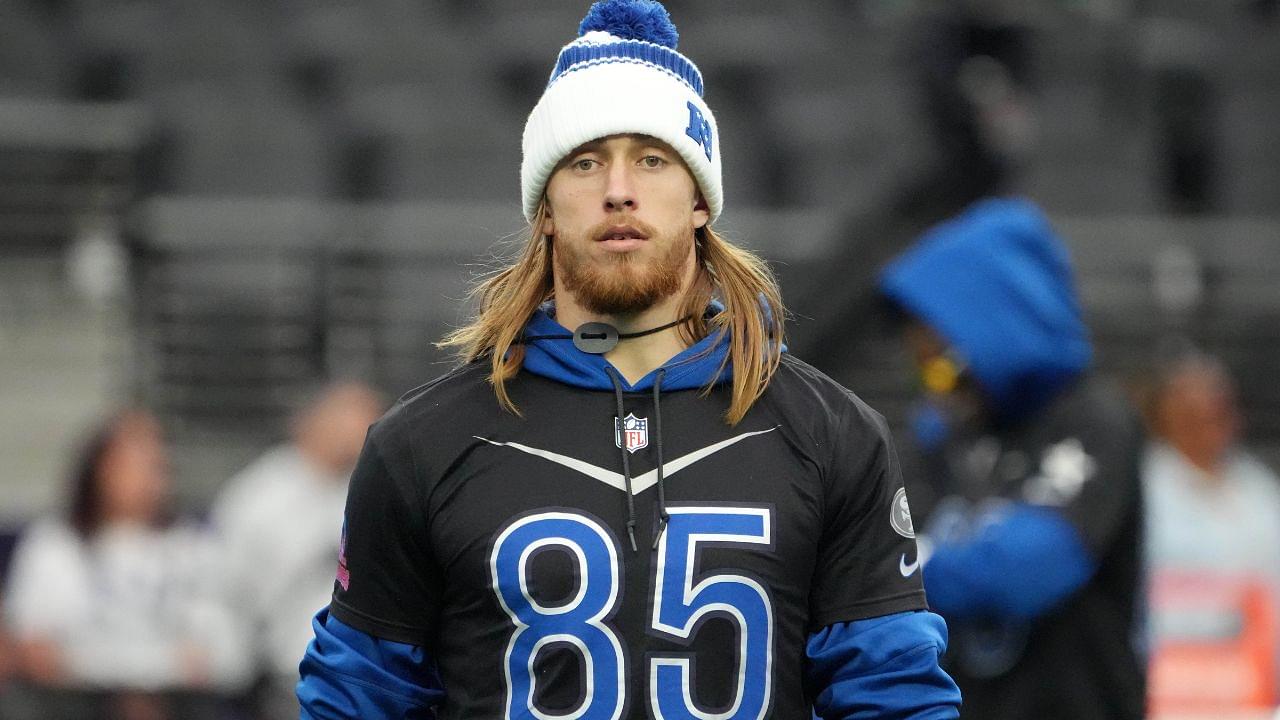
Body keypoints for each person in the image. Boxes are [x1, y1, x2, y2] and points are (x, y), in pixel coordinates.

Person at [297, 1, 962, 718]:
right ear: (545, 207)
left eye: (652, 159)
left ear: (700, 200)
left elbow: (892, 696)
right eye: (585, 162)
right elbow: (356, 698)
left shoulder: (833, 435)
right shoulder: (421, 445)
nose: (619, 190)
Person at [878, 198, 1146, 720]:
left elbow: (1031, 568)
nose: (935, 387)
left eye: (942, 364)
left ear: (993, 329)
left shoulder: (1094, 420)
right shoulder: (943, 435)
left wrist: (911, 567)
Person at [1, 410, 248, 720]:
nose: (148, 480)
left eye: (157, 468)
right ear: (98, 469)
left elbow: (226, 656)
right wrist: (147, 670)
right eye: (131, 465)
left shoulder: (195, 548)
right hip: (74, 704)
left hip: (177, 705)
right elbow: (36, 652)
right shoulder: (54, 544)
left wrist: (105, 667)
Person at [211, 381, 383, 718]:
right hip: (290, 675)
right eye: (351, 416)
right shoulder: (259, 494)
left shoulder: (378, 488)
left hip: (367, 675)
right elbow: (224, 590)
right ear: (314, 421)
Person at [1143, 351, 1280, 584]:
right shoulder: (1144, 484)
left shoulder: (1259, 485)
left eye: (1221, 406)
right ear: (1166, 412)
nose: (1210, 404)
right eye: (1195, 408)